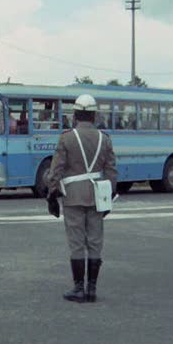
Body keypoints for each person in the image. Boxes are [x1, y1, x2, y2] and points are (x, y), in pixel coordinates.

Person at [47, 94, 117, 303]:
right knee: (95, 242)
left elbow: (56, 170)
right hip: (97, 196)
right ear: (94, 115)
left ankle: (78, 288)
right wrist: (110, 196)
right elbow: (111, 171)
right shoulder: (104, 139)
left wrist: (52, 193)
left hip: (73, 196)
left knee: (77, 243)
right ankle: (92, 289)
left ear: (75, 114)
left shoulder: (66, 138)